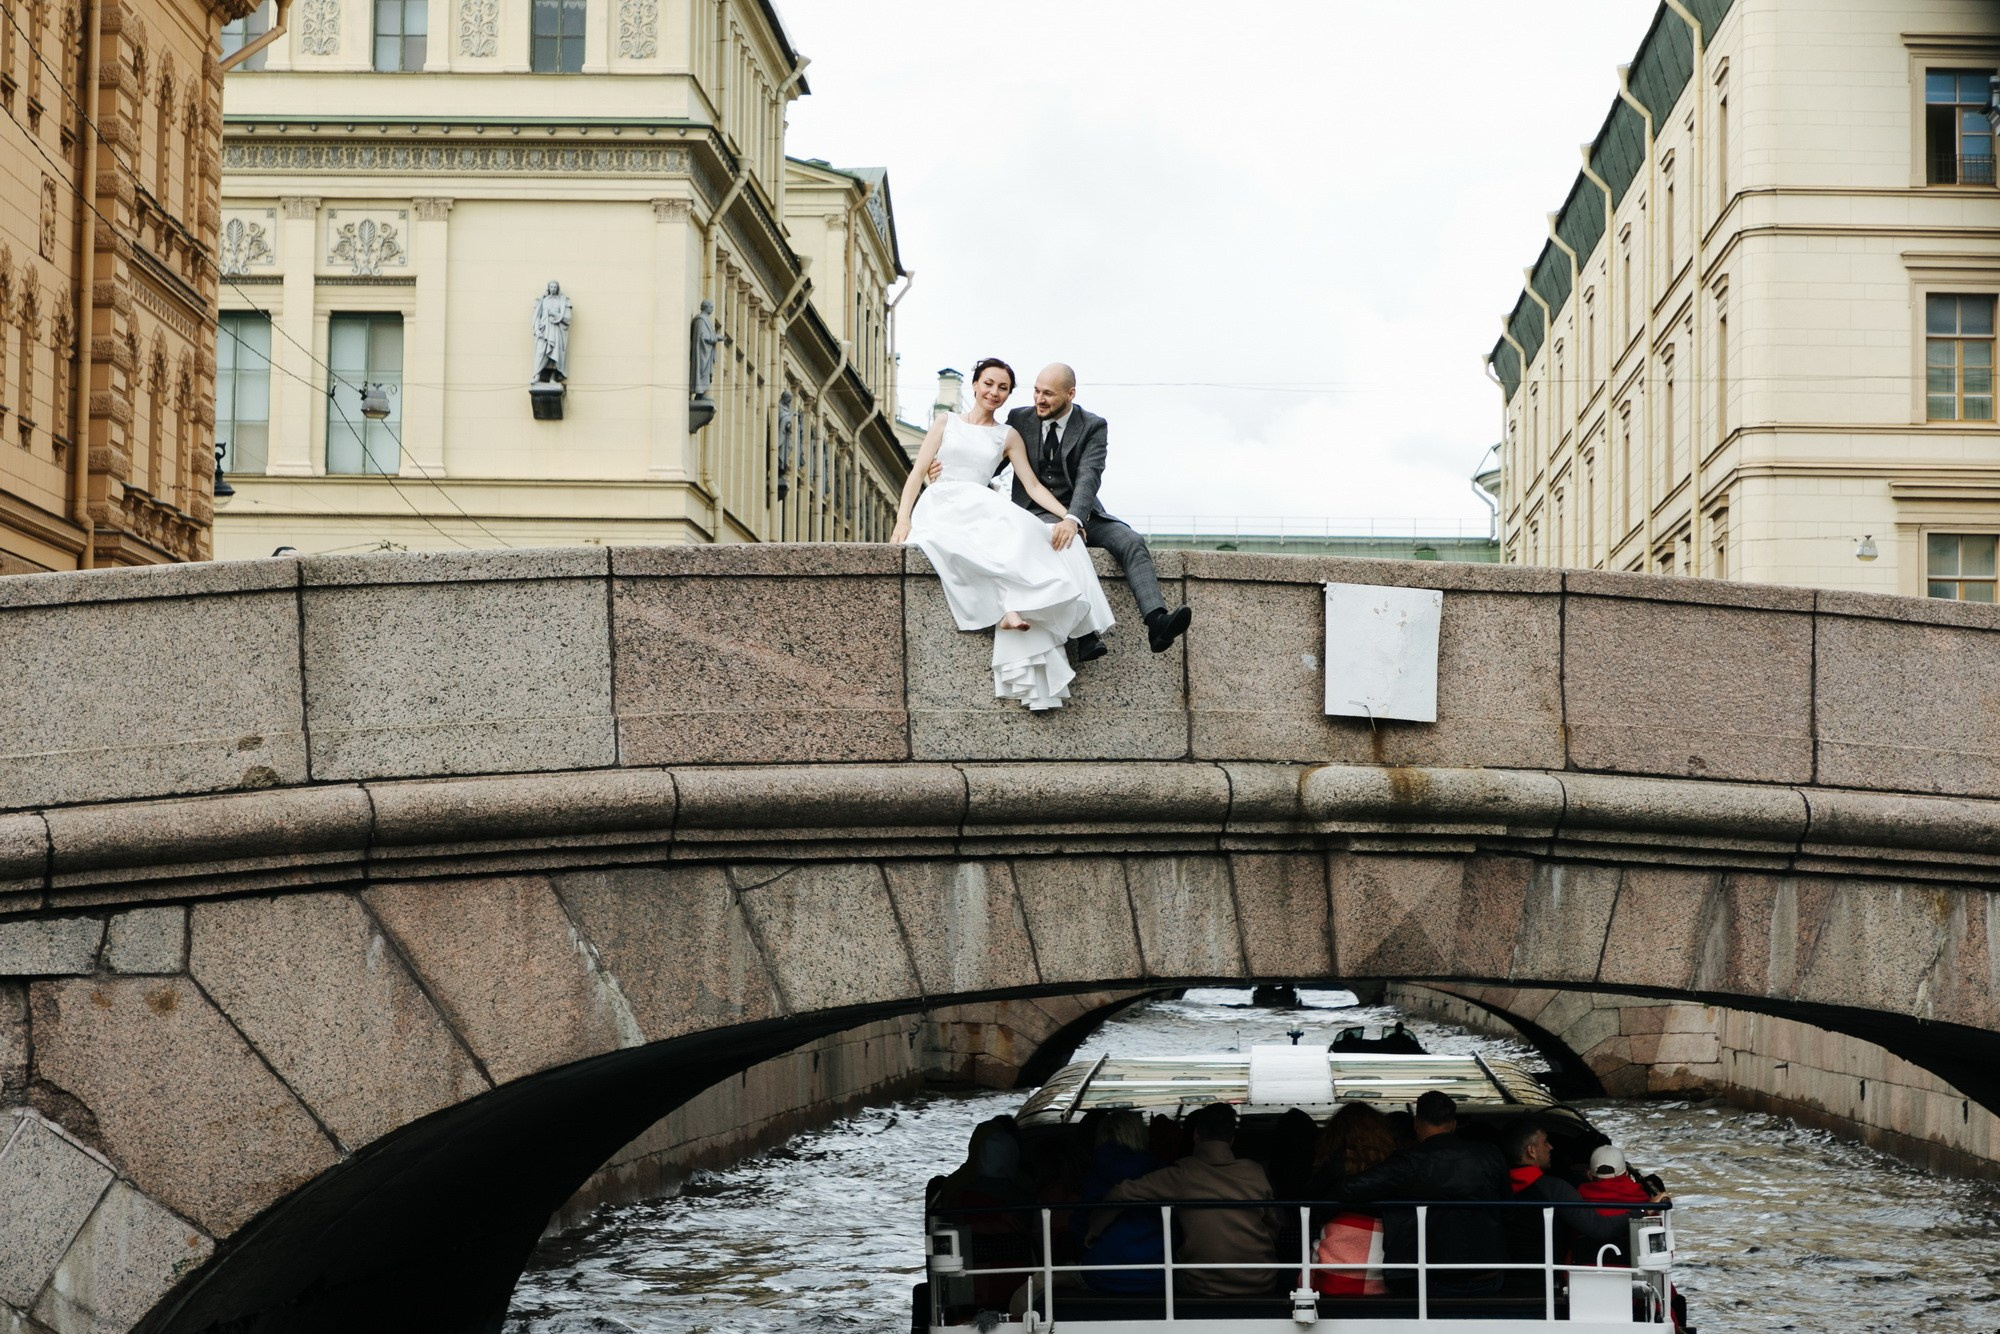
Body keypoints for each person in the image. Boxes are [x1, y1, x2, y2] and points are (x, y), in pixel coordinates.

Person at [891, 357, 1115, 711]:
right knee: (952, 545)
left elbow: (1033, 486)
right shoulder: (946, 422)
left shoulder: (1007, 435)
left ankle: (1016, 610)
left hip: (981, 504)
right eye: (988, 383)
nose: (994, 392)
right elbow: (917, 472)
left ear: (1009, 395)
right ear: (974, 385)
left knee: (1028, 533)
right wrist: (903, 520)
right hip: (942, 503)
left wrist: (1071, 517)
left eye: (1003, 388)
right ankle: (1005, 608)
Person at [929, 362, 1191, 660]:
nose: (1039, 400)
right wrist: (946, 473)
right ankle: (1086, 634)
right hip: (1035, 512)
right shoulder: (1019, 419)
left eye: (1048, 394)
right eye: (1036, 391)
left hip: (1084, 513)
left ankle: (1157, 621)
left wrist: (1073, 518)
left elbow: (1089, 477)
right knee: (1062, 542)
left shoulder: (1092, 426)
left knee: (1131, 541)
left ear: (1070, 394)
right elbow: (989, 460)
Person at [1093, 1102, 1278, 1298]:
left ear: (1196, 1135)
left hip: (1204, 1287)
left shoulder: (1182, 1173)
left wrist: (1093, 1231)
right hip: (1261, 1282)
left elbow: (1120, 1193)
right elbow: (1273, 1226)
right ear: (1232, 1140)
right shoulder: (1255, 1172)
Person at [1338, 1091, 1510, 1299]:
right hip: (1489, 1275)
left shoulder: (1408, 1161)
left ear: (1417, 1124)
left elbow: (1350, 1189)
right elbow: (1508, 1205)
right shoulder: (1490, 1154)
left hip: (1432, 1278)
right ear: (1453, 1124)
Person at [1498, 1120, 1626, 1291]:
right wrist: (1638, 1213)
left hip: (1501, 1279)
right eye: (1545, 1142)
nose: (1551, 1147)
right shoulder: (1554, 1190)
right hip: (1546, 1283)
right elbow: (1599, 1228)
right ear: (1531, 1151)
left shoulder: (1492, 1187)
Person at [1305, 1103, 1400, 1297]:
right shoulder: (1393, 1165)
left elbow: (1314, 1205)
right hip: (1386, 1251)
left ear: (1335, 1135)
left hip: (1336, 1260)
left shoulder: (1331, 1165)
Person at [1071, 1110, 1165, 1294]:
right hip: (1156, 1275)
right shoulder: (1160, 1171)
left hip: (1102, 1275)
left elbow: (1080, 1226)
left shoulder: (1095, 1173)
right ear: (1140, 1134)